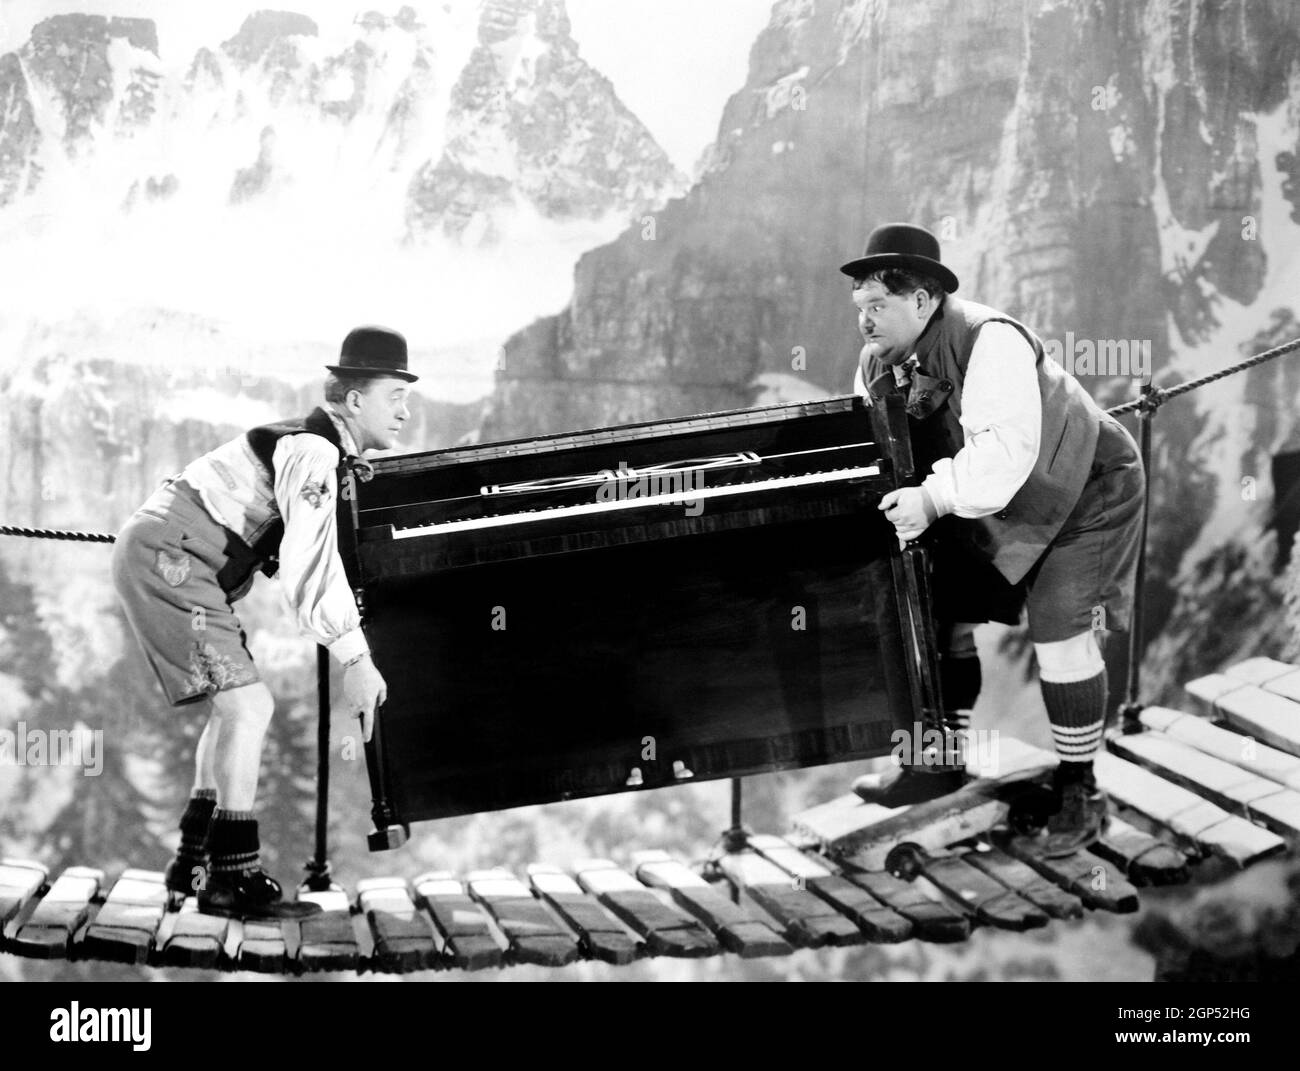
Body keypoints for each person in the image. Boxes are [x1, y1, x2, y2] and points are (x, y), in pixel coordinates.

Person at [842, 224, 1145, 856]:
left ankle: (1079, 792)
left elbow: (1006, 455)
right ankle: (940, 765)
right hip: (991, 500)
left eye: (879, 306)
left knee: (1061, 635)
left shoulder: (989, 339)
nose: (866, 322)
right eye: (861, 309)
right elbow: (879, 452)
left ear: (923, 300)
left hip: (1085, 490)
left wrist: (930, 500)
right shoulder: (876, 366)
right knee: (935, 612)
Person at [111, 326, 416, 915]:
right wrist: (355, 657)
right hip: (172, 557)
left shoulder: (316, 445)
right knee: (250, 707)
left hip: (169, 551)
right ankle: (231, 879)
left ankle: (195, 865)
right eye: (394, 397)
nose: (404, 412)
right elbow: (308, 566)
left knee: (233, 711)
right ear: (355, 400)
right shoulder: (314, 451)